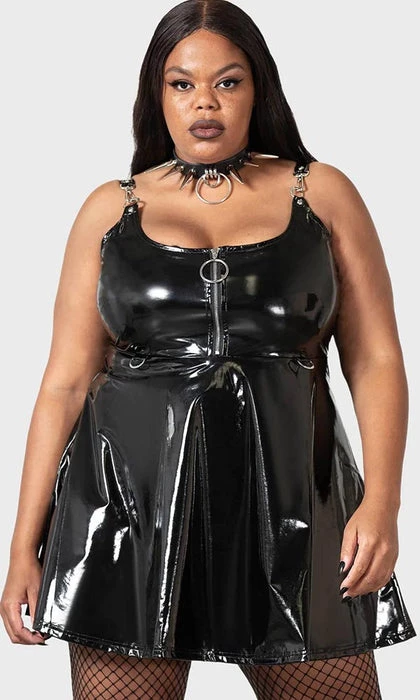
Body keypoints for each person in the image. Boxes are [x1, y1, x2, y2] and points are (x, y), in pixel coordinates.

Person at [0, 1, 416, 698]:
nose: (205, 103)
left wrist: (383, 502)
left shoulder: (322, 194)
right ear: (156, 94)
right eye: (182, 83)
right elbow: (64, 385)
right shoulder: (110, 210)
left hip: (294, 510)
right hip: (127, 519)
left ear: (258, 89)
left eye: (228, 82)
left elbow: (375, 360)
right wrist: (23, 546)